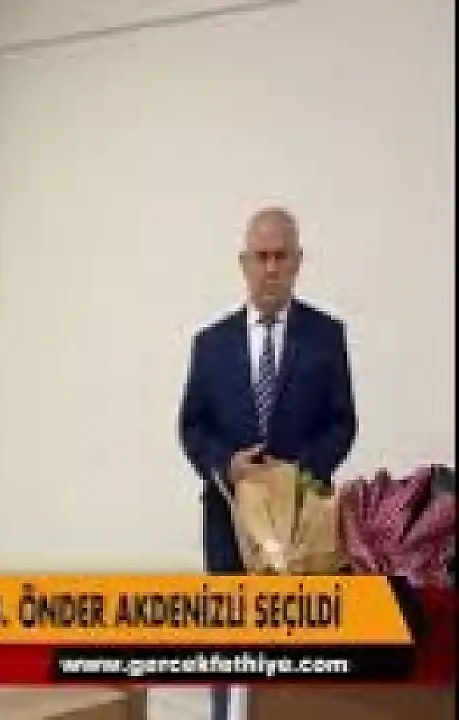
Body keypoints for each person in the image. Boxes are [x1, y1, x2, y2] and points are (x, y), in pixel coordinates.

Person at [178, 207, 358, 720]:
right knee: (228, 641)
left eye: (282, 256)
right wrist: (225, 465)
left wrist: (297, 476)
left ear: (298, 261)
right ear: (244, 263)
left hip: (301, 527)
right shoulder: (211, 344)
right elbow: (191, 426)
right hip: (228, 520)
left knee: (293, 647)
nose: (272, 268)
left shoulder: (326, 337)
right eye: (262, 257)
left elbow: (342, 423)